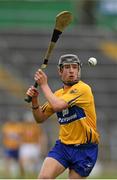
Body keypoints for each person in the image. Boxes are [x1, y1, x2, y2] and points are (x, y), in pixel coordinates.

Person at [26, 54, 100, 179]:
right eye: (67, 67)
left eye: (75, 67)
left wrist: (44, 84)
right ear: (60, 71)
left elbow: (58, 106)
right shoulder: (58, 94)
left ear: (78, 70)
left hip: (85, 149)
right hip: (63, 146)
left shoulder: (83, 89)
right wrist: (34, 100)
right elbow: (39, 118)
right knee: (43, 178)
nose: (71, 70)